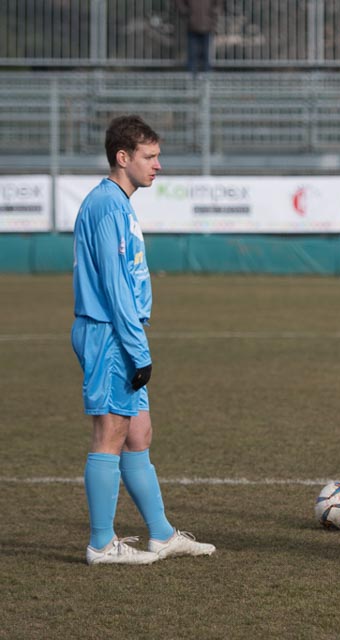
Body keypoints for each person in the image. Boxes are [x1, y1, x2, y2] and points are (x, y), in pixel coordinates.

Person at [72, 115, 216, 565]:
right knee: (111, 433)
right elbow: (115, 286)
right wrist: (137, 348)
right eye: (150, 156)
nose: (158, 165)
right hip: (109, 333)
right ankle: (101, 544)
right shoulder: (107, 206)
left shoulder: (118, 203)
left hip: (120, 333)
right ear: (123, 157)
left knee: (138, 433)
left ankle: (161, 535)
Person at [175, 0, 223, 75]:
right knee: (192, 55)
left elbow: (218, 4)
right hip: (192, 25)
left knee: (206, 55)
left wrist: (214, 13)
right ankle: (191, 78)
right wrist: (185, 11)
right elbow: (179, 2)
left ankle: (206, 78)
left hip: (207, 25)